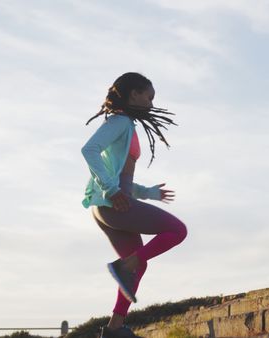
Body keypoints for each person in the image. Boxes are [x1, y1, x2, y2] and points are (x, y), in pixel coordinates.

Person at [81, 72, 188, 338]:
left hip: (108, 206)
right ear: (134, 95)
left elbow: (119, 174)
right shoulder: (121, 122)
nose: (151, 104)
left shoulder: (125, 126)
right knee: (178, 231)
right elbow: (89, 150)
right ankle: (122, 266)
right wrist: (112, 190)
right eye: (148, 97)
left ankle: (115, 329)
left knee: (137, 265)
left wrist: (147, 192)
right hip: (112, 204)